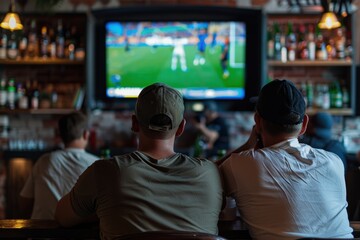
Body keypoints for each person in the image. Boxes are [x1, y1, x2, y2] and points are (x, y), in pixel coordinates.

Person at [55, 83, 223, 238]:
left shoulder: (104, 172)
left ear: (134, 123)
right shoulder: (210, 173)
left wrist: (105, 210)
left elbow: (62, 217)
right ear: (181, 128)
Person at [218, 79, 353, 240]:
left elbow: (203, 176)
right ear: (303, 125)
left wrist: (247, 145)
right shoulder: (334, 162)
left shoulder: (240, 164)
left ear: (258, 121)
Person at [20, 112, 98, 219]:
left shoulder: (43, 161)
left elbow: (25, 202)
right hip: (78, 234)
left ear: (60, 135)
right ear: (86, 134)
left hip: (41, 233)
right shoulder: (96, 164)